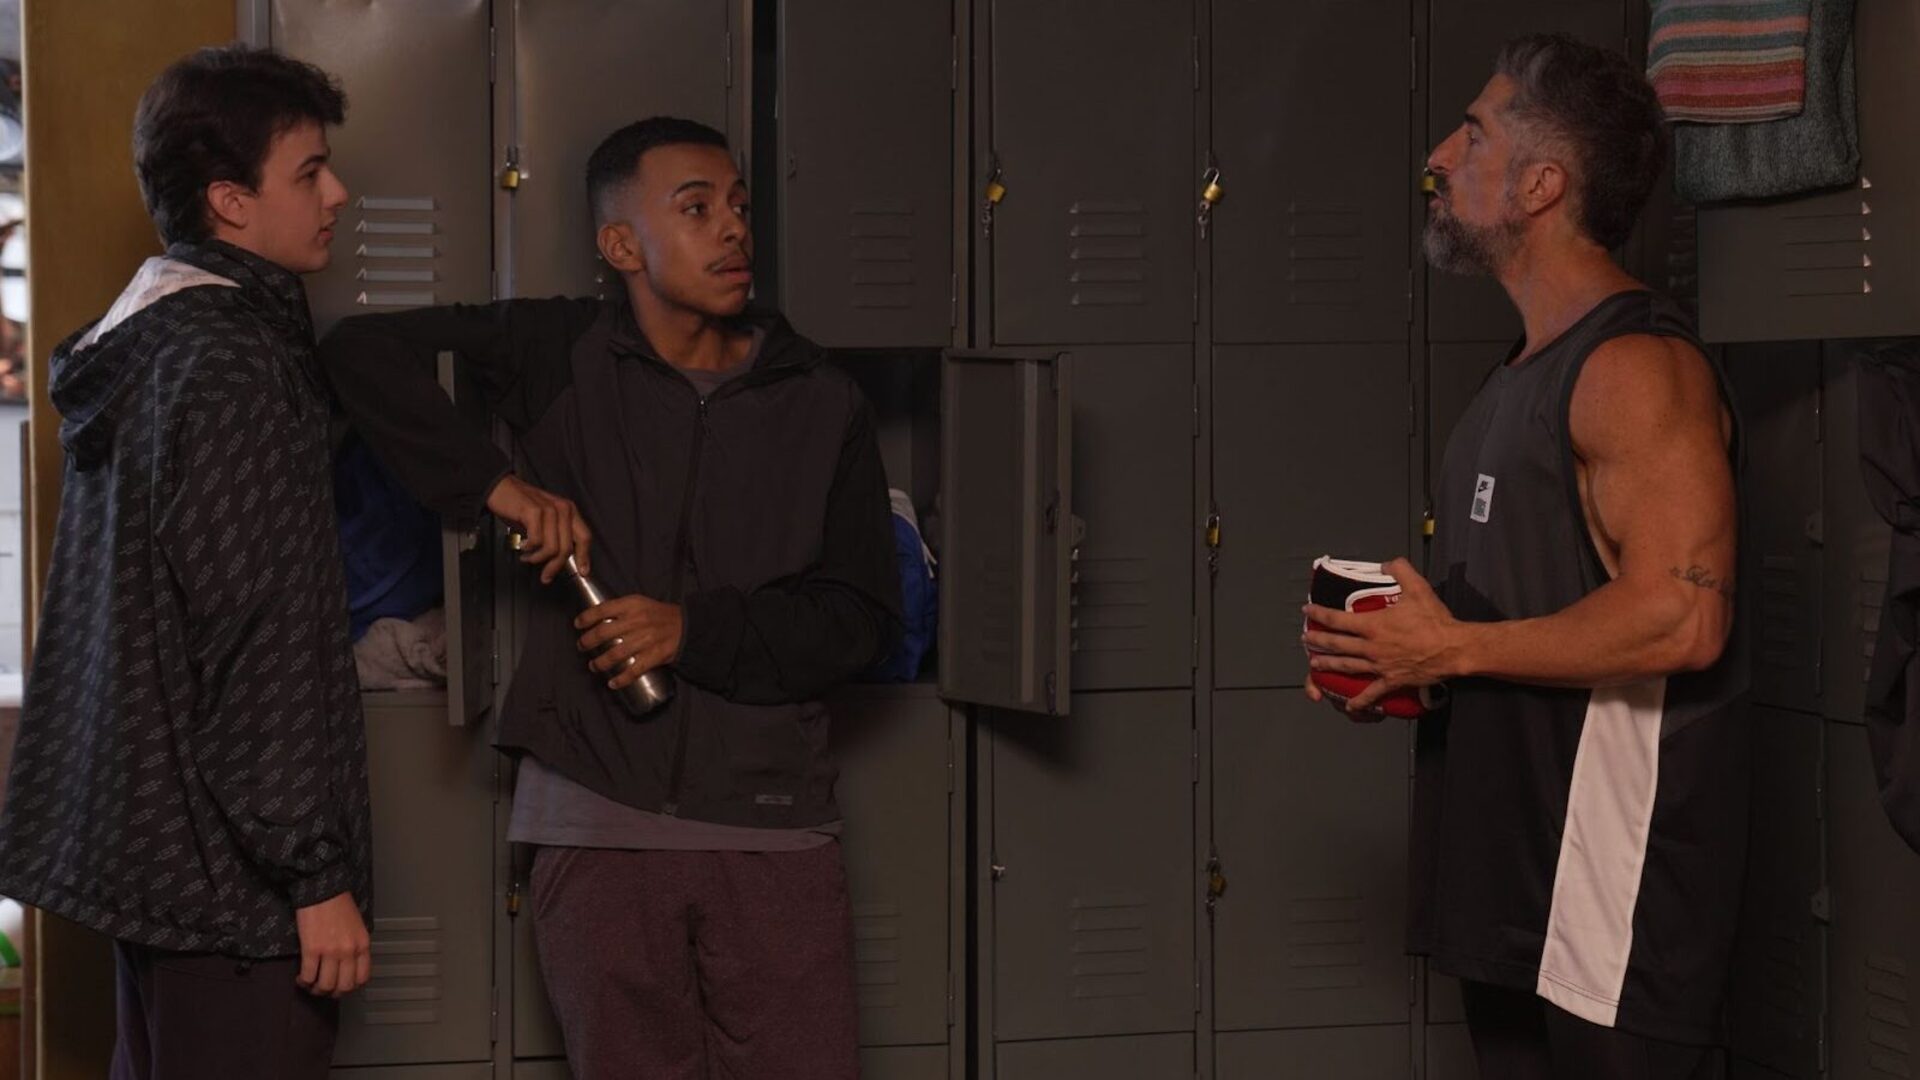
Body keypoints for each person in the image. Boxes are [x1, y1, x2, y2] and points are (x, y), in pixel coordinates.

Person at [319, 116, 900, 1079]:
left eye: (738, 206)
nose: (733, 229)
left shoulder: (822, 397)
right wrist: (500, 489)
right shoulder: (555, 350)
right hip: (594, 822)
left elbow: (864, 619)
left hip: (772, 821)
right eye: (696, 208)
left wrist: (692, 631)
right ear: (622, 246)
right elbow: (359, 352)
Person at [1302, 34, 1748, 1080]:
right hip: (1508, 887)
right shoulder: (1520, 373)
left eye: (1473, 134)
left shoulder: (1636, 368)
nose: (1439, 156)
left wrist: (1451, 650)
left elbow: (1683, 616)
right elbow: (1531, 609)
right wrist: (1402, 659)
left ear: (1543, 185)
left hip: (1608, 908)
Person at [0, 45, 373, 1079]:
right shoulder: (231, 363)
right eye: (310, 172)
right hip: (234, 892)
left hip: (162, 867)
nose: (339, 194)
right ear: (230, 201)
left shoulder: (160, 341)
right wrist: (314, 876)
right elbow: (257, 644)